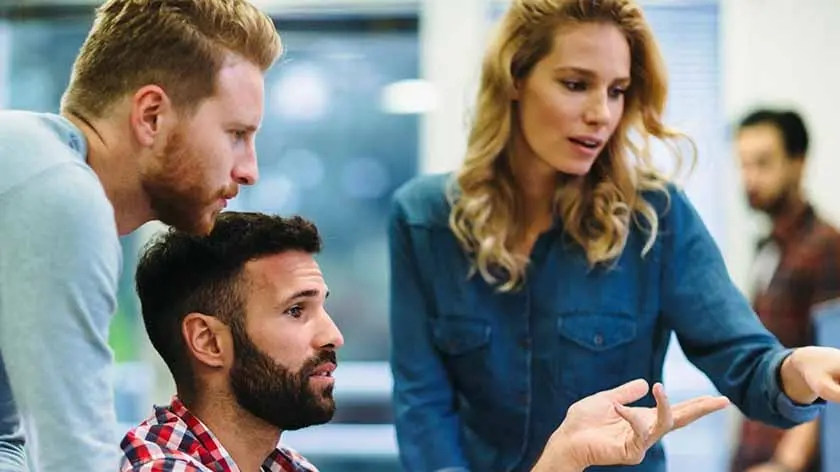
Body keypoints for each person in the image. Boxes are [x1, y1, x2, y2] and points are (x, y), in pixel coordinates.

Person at [387, 1, 840, 471]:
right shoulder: (423, 220)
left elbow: (747, 363)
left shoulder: (655, 218)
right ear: (515, 78)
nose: (601, 113)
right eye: (576, 84)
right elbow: (423, 405)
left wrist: (796, 370)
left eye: (618, 90)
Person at [120, 211, 730, 472]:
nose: (331, 334)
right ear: (207, 341)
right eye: (295, 311)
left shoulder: (283, 465)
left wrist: (562, 456)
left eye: (322, 307)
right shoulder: (162, 466)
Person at [0, 1, 281, 469]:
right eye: (235, 134)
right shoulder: (60, 193)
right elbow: (73, 458)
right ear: (152, 116)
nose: (249, 170)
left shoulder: (28, 163)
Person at [730, 109, 840, 472]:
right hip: (756, 441)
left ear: (798, 162)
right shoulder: (768, 246)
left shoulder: (826, 246)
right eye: (743, 164)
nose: (750, 178)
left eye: (763, 163)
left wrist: (786, 463)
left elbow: (834, 364)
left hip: (790, 458)